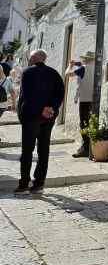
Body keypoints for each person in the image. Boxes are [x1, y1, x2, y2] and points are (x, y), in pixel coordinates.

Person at [15, 50, 65, 194]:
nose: (29, 59)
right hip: (48, 117)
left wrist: (40, 110)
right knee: (43, 149)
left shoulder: (28, 73)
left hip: (31, 116)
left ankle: (24, 184)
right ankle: (39, 184)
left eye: (30, 57)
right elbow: (60, 92)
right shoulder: (54, 73)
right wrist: (51, 108)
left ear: (34, 58)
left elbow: (28, 96)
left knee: (27, 151)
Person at [65, 53, 94, 158]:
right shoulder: (99, 67)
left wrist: (70, 66)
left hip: (85, 100)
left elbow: (67, 74)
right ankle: (90, 147)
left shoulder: (83, 69)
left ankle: (85, 148)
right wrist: (76, 63)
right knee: (91, 123)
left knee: (84, 124)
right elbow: (82, 64)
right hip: (94, 100)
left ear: (86, 60)